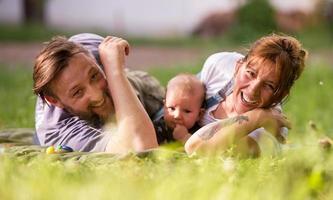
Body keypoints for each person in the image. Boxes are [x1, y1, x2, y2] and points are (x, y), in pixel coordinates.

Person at [33, 33, 165, 153]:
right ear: (55, 101)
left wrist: (114, 70)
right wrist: (114, 71)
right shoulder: (61, 131)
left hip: (141, 87)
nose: (96, 95)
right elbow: (142, 148)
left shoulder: (90, 50)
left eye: (94, 76)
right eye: (78, 92)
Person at [185, 34, 307, 156]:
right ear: (238, 66)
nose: (253, 90)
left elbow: (196, 149)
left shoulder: (269, 129)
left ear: (281, 95)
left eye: (269, 85)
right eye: (251, 74)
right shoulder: (220, 67)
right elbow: (177, 96)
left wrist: (256, 117)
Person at [153, 74, 205, 144]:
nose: (177, 116)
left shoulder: (200, 133)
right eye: (172, 108)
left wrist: (185, 138)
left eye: (187, 111)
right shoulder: (157, 128)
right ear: (164, 106)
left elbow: (202, 151)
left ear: (199, 114)